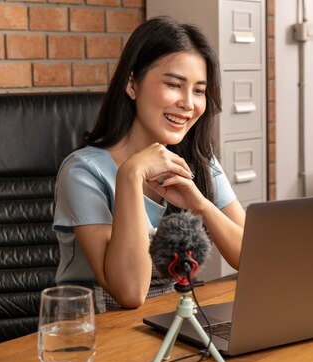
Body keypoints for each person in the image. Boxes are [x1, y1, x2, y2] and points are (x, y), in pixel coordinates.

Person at [53, 17, 245, 313]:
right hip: (94, 331)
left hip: (169, 319)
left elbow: (254, 257)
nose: (188, 103)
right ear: (132, 84)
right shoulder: (82, 172)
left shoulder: (198, 160)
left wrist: (202, 205)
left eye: (198, 90)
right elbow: (129, 292)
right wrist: (130, 175)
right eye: (173, 85)